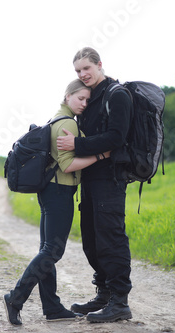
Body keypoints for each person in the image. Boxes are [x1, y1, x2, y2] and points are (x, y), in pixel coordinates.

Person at [3, 79, 111, 326]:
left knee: (47, 249)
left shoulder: (56, 119)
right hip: (60, 192)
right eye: (80, 98)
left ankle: (52, 307)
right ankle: (15, 298)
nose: (84, 104)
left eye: (87, 100)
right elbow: (67, 164)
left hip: (49, 191)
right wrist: (101, 154)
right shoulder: (67, 124)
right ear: (67, 96)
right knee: (53, 251)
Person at [56, 47, 133, 323]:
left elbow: (117, 137)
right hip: (89, 179)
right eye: (78, 71)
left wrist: (77, 144)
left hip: (110, 179)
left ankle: (120, 301)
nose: (83, 74)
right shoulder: (90, 98)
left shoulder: (117, 95)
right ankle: (103, 295)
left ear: (100, 65)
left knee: (111, 238)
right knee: (91, 239)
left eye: (87, 68)